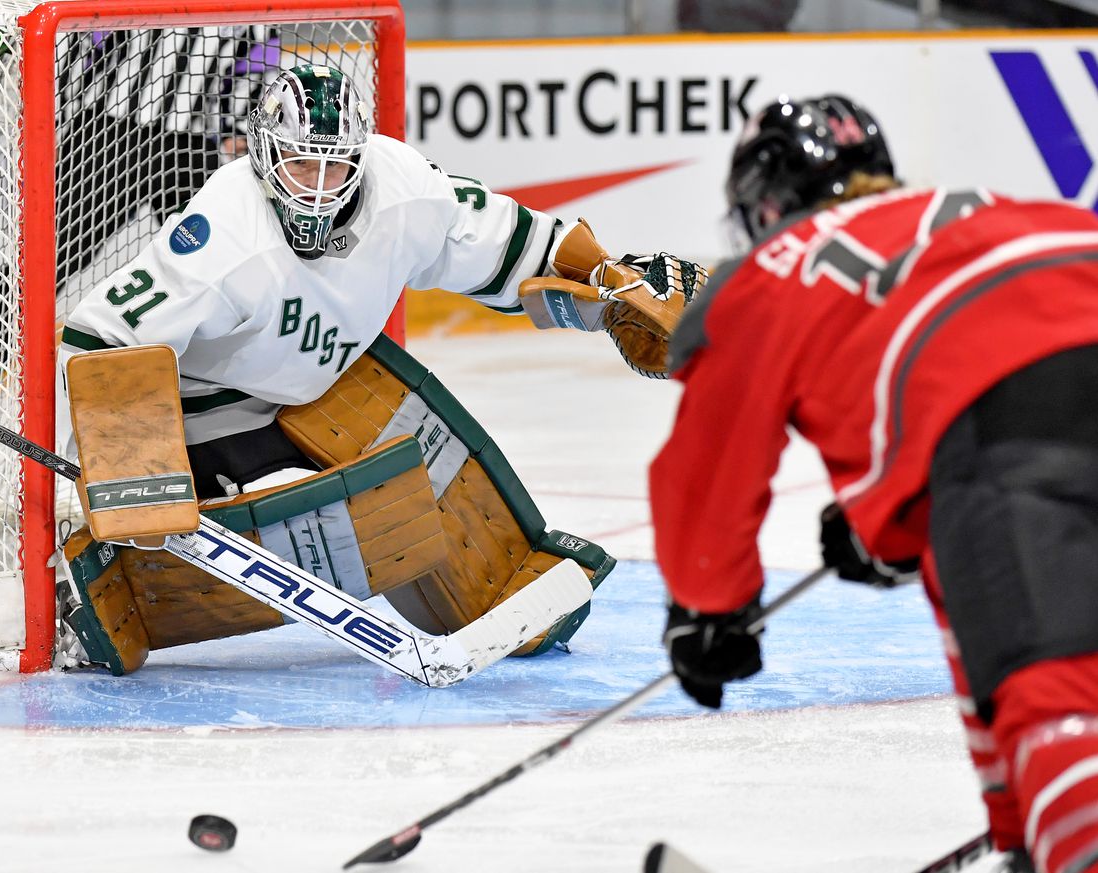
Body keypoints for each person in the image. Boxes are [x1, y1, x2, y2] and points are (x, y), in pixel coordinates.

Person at [53, 63, 701, 676]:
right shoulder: (225, 233)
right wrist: (107, 482)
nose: (317, 186)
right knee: (352, 523)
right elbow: (98, 336)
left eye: (336, 168)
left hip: (322, 382)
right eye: (301, 162)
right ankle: (122, 589)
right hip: (202, 407)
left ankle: (496, 582)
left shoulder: (404, 188)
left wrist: (605, 288)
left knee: (425, 459)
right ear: (262, 153)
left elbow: (507, 245)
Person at [653, 94, 1098, 873]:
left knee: (1058, 698)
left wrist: (708, 610)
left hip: (1019, 423)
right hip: (1029, 408)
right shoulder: (989, 206)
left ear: (764, 204)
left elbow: (709, 467)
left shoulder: (772, 268)